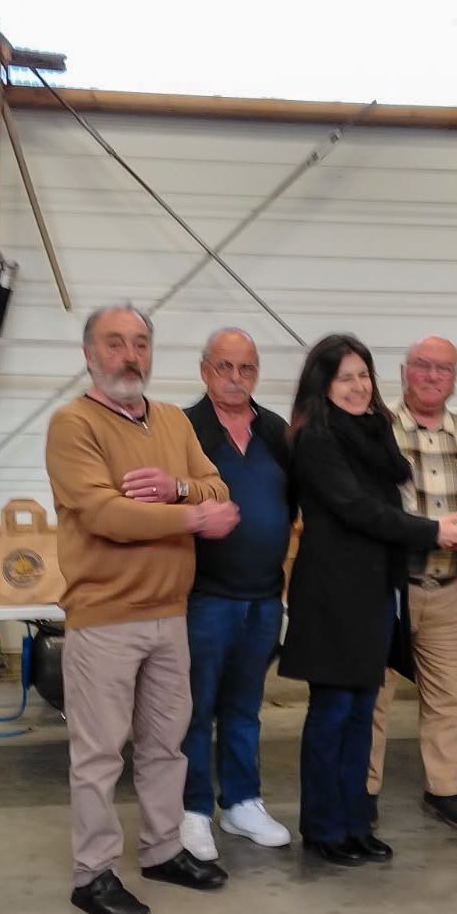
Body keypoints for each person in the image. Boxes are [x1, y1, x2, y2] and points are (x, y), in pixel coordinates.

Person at [46, 304, 241, 914]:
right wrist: (191, 518)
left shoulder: (174, 421)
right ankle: (93, 873)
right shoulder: (72, 425)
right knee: (100, 755)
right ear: (89, 354)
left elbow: (216, 487)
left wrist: (179, 489)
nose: (130, 355)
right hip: (103, 617)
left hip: (170, 614)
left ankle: (162, 850)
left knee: (165, 745)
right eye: (115, 343)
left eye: (140, 343)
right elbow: (107, 514)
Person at [278, 334, 457, 866]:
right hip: (333, 594)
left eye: (363, 375)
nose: (358, 386)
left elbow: (381, 507)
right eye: (345, 377)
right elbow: (358, 510)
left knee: (363, 712)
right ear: (323, 385)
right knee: (333, 712)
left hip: (374, 593)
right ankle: (323, 830)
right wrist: (433, 530)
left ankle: (354, 823)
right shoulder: (317, 438)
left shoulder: (374, 430)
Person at [367, 336, 457, 833]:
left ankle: (444, 790)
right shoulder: (375, 430)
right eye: (422, 365)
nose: (432, 375)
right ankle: (364, 789)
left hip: (451, 587)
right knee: (372, 694)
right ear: (403, 371)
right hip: (387, 587)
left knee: (446, 697)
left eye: (443, 368)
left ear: (455, 377)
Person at [178, 328, 294, 860]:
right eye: (224, 367)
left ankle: (242, 802)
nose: (234, 378)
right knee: (197, 708)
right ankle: (195, 809)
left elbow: (291, 503)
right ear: (205, 371)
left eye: (245, 368)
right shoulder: (183, 429)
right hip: (205, 597)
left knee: (246, 707)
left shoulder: (275, 431)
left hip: (265, 596)